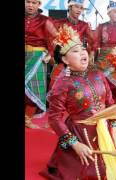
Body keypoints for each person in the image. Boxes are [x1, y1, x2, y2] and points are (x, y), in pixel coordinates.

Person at [39, 25, 116, 179]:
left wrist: (114, 129)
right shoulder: (62, 83)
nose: (82, 53)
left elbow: (111, 104)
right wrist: (75, 144)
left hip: (104, 131)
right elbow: (54, 118)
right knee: (91, 172)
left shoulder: (98, 75)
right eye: (75, 51)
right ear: (65, 59)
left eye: (82, 49)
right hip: (80, 134)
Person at [25, 0, 58, 128]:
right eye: (28, 2)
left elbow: (57, 38)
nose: (30, 5)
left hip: (38, 57)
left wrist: (50, 53)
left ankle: (27, 119)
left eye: (34, 3)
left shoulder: (45, 20)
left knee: (34, 88)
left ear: (39, 5)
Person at [49, 0, 95, 90]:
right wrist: (51, 57)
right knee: (57, 86)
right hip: (63, 59)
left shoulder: (84, 25)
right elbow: (51, 41)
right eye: (76, 7)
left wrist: (90, 57)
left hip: (78, 60)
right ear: (70, 7)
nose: (79, 10)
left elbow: (93, 43)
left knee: (79, 88)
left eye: (81, 8)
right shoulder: (58, 23)